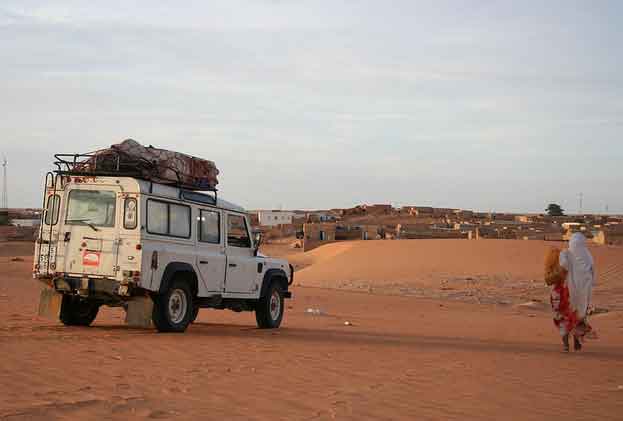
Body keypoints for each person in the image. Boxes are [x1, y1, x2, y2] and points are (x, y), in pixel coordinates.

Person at [558, 232, 595, 351]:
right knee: (579, 318)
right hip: (584, 293)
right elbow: (593, 274)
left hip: (568, 292)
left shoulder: (566, 253)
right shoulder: (588, 255)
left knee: (566, 317)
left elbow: (563, 266)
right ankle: (577, 342)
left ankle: (565, 345)